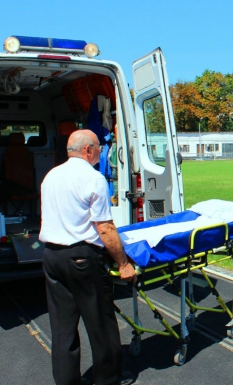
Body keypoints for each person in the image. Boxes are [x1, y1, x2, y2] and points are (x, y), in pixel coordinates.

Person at [40, 129, 136, 385]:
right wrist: (123, 264)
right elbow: (104, 227)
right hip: (81, 257)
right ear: (88, 150)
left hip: (52, 256)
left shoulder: (51, 176)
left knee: (62, 329)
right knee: (100, 325)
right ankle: (108, 379)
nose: (101, 152)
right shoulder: (92, 179)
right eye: (99, 148)